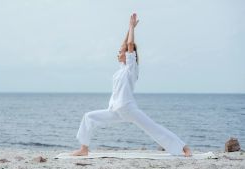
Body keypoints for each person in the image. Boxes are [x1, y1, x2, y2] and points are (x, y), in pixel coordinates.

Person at [72, 13, 192, 157]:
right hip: (115, 109)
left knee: (153, 128)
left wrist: (131, 27)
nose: (118, 53)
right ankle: (83, 149)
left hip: (128, 108)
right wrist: (129, 29)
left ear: (129, 54)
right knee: (89, 117)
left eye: (120, 52)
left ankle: (184, 147)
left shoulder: (131, 68)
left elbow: (129, 45)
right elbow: (125, 44)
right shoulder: (120, 70)